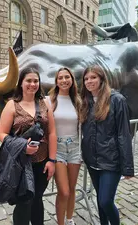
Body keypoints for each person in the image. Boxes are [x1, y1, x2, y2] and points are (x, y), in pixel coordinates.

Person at [0, 67, 57, 225]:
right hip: (21, 164)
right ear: (21, 83)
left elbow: (51, 133)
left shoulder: (45, 103)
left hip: (42, 161)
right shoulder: (12, 105)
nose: (32, 84)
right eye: (28, 81)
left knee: (37, 198)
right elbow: (2, 134)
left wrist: (52, 160)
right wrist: (23, 145)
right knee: (24, 202)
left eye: (35, 81)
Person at [79, 65, 134, 225]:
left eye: (93, 77)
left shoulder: (117, 100)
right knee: (99, 197)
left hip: (111, 161)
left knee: (105, 201)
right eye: (86, 78)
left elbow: (124, 134)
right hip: (92, 160)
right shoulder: (85, 101)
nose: (89, 81)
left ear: (102, 79)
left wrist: (127, 166)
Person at [48, 67, 82, 225]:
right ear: (56, 81)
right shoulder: (50, 100)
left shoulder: (78, 100)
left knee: (73, 187)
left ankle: (69, 219)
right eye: (60, 77)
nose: (63, 80)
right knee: (64, 191)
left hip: (75, 147)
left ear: (72, 79)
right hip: (58, 148)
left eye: (67, 77)